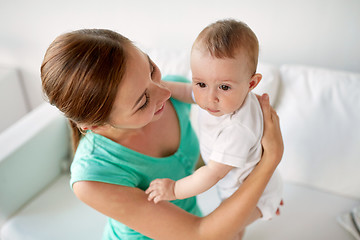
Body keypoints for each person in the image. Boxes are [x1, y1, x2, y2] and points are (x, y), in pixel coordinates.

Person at [41, 28, 284, 240]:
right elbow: (199, 234)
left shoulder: (175, 94)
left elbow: (196, 161)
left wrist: (248, 187)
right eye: (142, 101)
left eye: (151, 70)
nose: (163, 93)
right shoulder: (93, 179)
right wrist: (271, 158)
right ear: (95, 125)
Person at [146, 19, 283, 236]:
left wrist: (174, 189)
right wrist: (157, 88)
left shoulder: (237, 128)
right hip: (238, 184)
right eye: (200, 84)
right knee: (233, 230)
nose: (210, 98)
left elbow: (212, 174)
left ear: (251, 84)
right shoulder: (218, 98)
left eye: (224, 87)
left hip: (253, 194)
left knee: (225, 231)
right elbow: (185, 91)